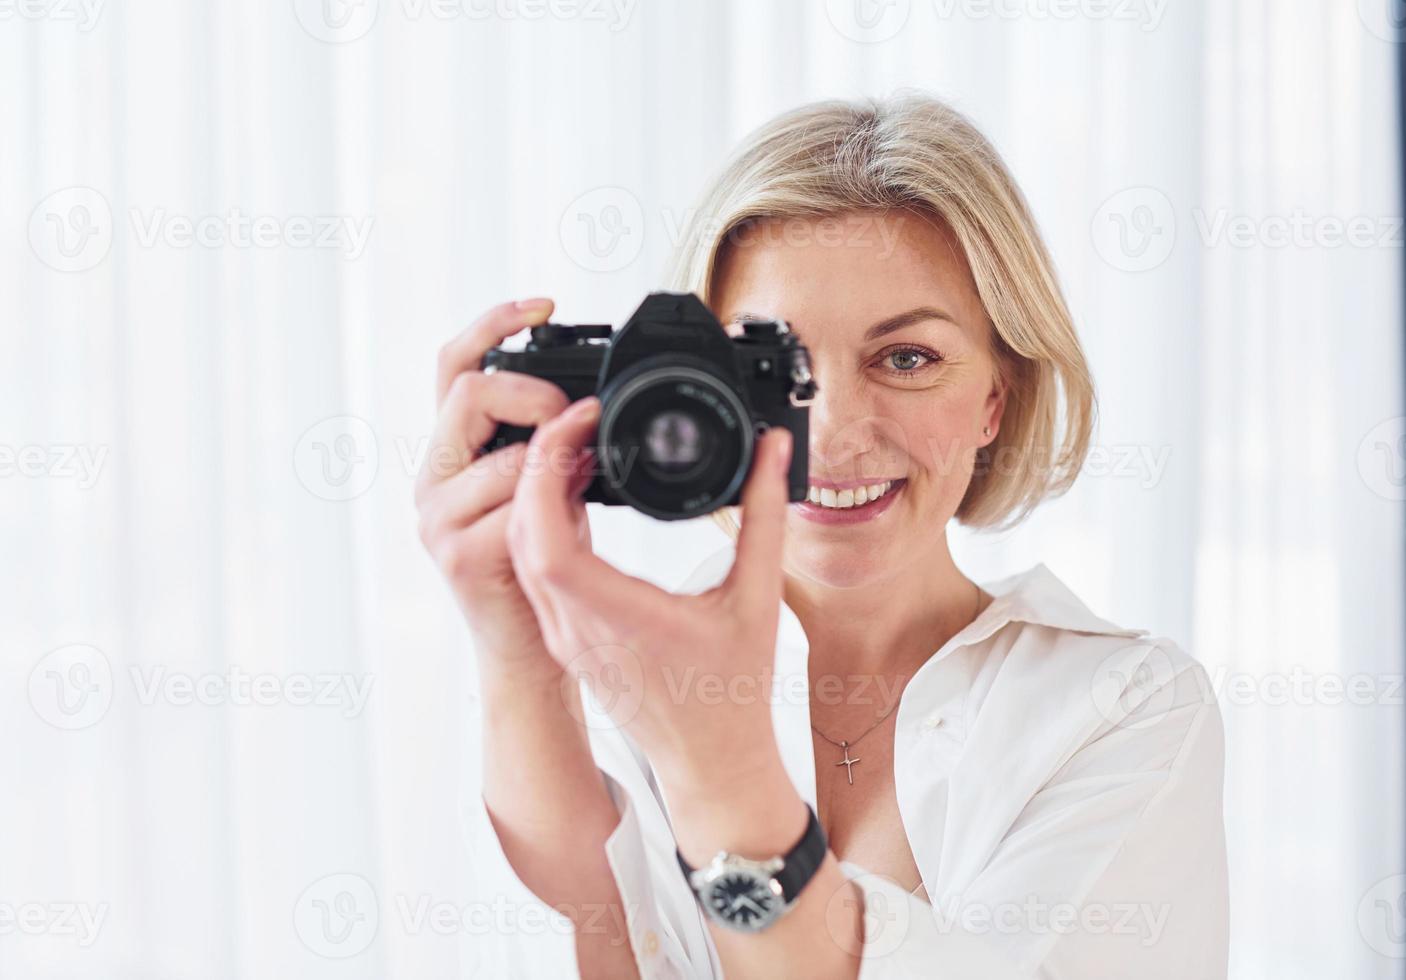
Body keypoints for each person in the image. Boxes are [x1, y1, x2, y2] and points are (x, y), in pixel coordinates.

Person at [417, 94, 1228, 979]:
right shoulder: (617, 676)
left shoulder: (1123, 708)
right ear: (684, 385)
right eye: (778, 366)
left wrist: (726, 781)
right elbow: (589, 932)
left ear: (996, 398)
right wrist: (516, 643)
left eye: (906, 358)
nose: (834, 433)